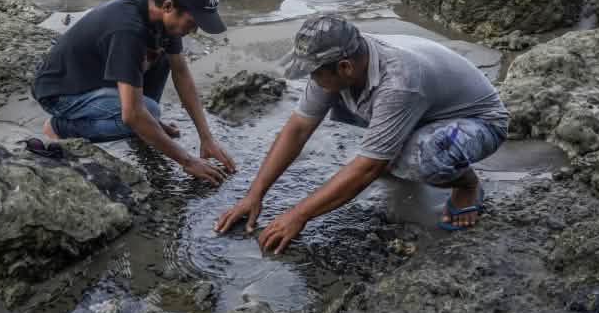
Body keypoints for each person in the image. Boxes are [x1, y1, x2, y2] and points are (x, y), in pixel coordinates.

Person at [214, 16, 509, 254]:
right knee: (381, 151)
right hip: (422, 113)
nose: (311, 79)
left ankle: (467, 184)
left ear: (345, 67)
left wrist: (297, 216)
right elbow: (298, 128)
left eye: (314, 73)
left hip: (477, 123)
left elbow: (367, 168)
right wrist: (254, 195)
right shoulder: (341, 59)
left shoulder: (399, 81)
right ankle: (400, 151)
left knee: (425, 157)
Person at [32, 0, 236, 184]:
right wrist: (188, 161)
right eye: (192, 23)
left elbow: (181, 72)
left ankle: (148, 124)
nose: (194, 31)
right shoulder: (128, 29)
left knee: (162, 57)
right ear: (169, 6)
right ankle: (60, 128)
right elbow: (132, 115)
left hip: (95, 74)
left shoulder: (160, 10)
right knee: (144, 113)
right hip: (60, 92)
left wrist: (206, 138)